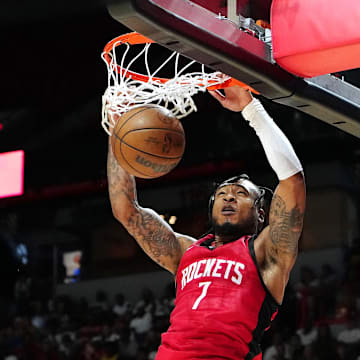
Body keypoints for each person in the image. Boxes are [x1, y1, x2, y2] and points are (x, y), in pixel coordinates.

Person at [107, 86, 306, 360]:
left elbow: (292, 181)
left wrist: (251, 109)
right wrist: (118, 133)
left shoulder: (266, 254)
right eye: (222, 194)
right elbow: (126, 210)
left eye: (240, 194)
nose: (228, 197)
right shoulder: (186, 252)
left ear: (261, 214)